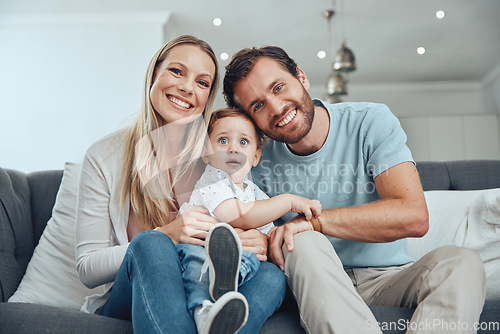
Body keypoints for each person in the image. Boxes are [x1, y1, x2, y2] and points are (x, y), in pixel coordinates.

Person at [222, 46, 486, 334]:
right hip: (310, 282)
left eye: (279, 87)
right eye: (257, 106)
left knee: (462, 263)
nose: (276, 108)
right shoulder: (254, 156)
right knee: (304, 243)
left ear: (301, 77)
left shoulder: (369, 122)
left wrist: (314, 223)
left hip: (389, 278)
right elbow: (239, 222)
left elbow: (413, 215)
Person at [74, 36, 286, 334]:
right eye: (176, 71)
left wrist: (257, 241)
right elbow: (87, 267)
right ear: (154, 74)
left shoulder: (220, 153)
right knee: (152, 243)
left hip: (203, 287)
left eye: (202, 83)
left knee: (272, 276)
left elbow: (247, 212)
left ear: (207, 97)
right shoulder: (105, 156)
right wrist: (167, 234)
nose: (187, 87)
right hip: (133, 295)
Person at [175, 108, 321, 332]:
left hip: (236, 268)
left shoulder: (255, 193)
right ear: (206, 152)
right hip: (197, 252)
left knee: (260, 260)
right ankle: (204, 311)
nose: (233, 148)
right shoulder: (212, 181)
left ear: (256, 156)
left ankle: (228, 283)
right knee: (197, 265)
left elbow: (268, 235)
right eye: (223, 140)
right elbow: (240, 215)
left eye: (243, 142)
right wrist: (289, 201)